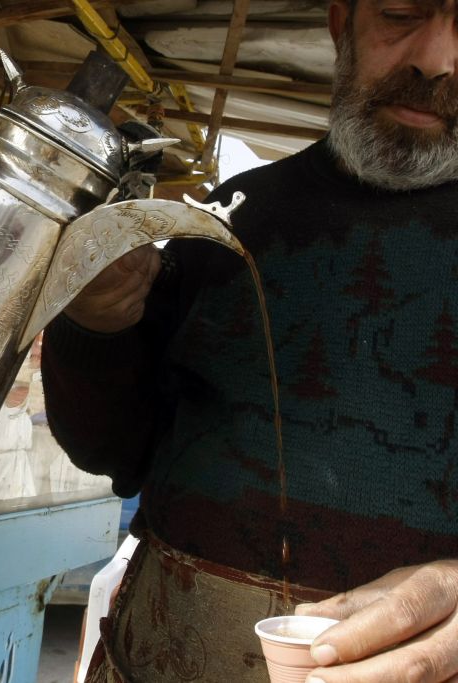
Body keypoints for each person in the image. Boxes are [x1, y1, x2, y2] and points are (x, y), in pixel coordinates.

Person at [41, 0, 458, 680]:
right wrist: (97, 324)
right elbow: (111, 451)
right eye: (402, 11)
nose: (436, 59)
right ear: (340, 21)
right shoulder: (230, 217)